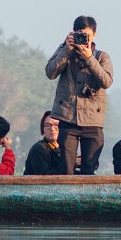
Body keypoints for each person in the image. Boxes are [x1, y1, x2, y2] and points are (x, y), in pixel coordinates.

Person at [45, 15, 114, 174]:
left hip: (93, 120)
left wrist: (89, 58)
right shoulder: (65, 50)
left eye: (86, 36)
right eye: (79, 35)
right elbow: (50, 72)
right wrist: (66, 49)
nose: (83, 39)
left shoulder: (102, 56)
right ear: (73, 33)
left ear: (94, 35)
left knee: (89, 170)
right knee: (66, 170)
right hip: (68, 117)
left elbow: (107, 81)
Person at [24, 111, 67, 176]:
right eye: (47, 125)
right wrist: (69, 165)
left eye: (56, 125)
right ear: (43, 129)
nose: (52, 129)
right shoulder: (39, 149)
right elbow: (45, 178)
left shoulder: (66, 148)